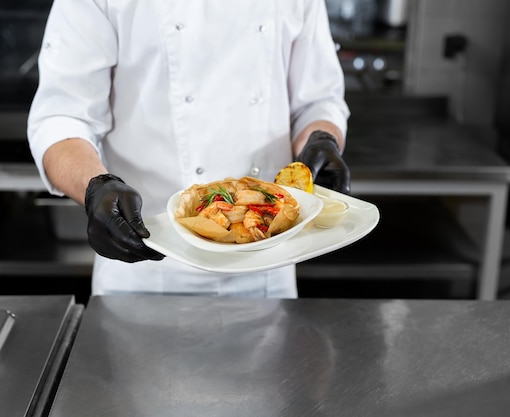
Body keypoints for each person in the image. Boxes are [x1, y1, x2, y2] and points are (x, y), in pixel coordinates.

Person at [27, 0, 350, 298]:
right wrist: (94, 186)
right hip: (144, 264)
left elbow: (317, 101)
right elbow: (63, 116)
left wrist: (321, 139)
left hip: (267, 262)